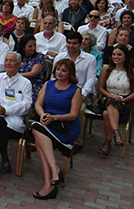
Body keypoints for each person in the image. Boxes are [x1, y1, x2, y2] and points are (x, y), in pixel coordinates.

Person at [30, 59, 83, 200]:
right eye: (58, 69)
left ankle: (54, 172)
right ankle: (50, 182)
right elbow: (38, 104)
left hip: (65, 127)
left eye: (64, 70)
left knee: (36, 132)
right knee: (38, 135)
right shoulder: (48, 84)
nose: (60, 72)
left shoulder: (75, 90)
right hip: (47, 123)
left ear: (70, 73)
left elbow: (73, 115)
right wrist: (43, 115)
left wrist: (55, 118)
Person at [0, 52, 33, 185]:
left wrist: (6, 110)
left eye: (12, 61)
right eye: (6, 60)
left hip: (12, 122)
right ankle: (1, 162)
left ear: (19, 64)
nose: (8, 63)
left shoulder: (25, 83)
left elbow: (26, 105)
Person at [97, 45, 134, 155]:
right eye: (114, 54)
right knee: (110, 102)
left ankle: (107, 143)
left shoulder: (131, 71)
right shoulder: (106, 69)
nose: (115, 57)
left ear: (125, 56)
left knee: (106, 114)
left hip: (124, 101)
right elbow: (100, 88)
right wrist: (112, 96)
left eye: (119, 54)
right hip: (108, 98)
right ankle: (116, 132)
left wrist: (124, 99)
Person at [17, 34, 47, 103]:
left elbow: (33, 73)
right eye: (30, 46)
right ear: (23, 47)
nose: (33, 48)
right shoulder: (17, 55)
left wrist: (16, 75)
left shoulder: (39, 56)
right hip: (18, 83)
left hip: (34, 84)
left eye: (34, 45)